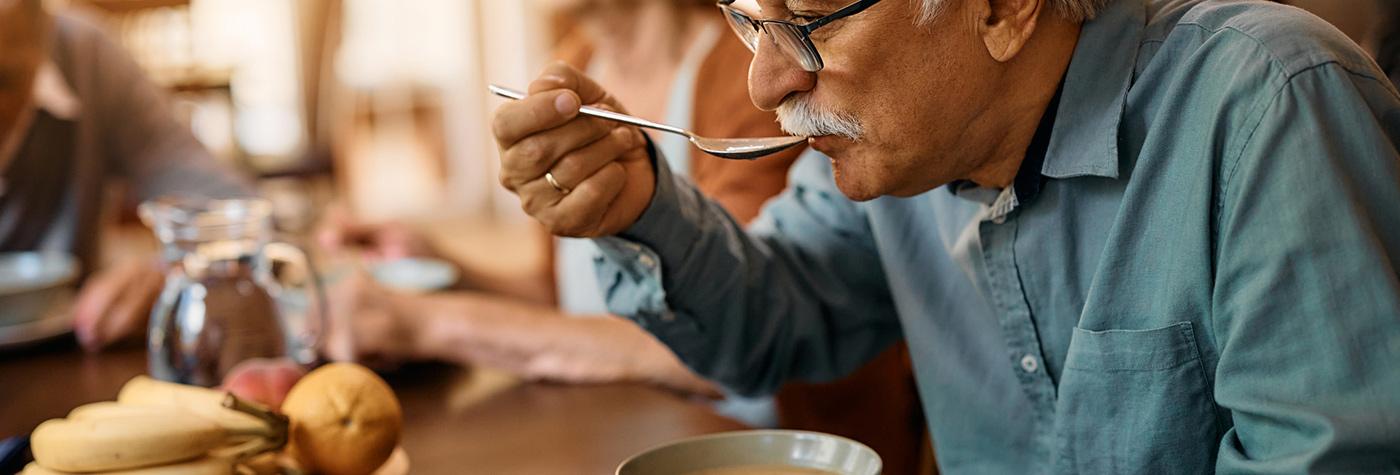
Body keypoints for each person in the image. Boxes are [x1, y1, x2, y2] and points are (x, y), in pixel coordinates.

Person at [490, 0, 1400, 472]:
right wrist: (637, 206)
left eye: (804, 22)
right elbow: (772, 319)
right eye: (746, 20)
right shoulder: (894, 157)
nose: (766, 82)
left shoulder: (1269, 103)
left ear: (1004, 8)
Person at [322, 4, 927, 470]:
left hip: (748, 447)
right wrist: (444, 266)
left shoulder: (757, 69)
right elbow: (581, 297)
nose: (771, 59)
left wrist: (434, 322)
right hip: (620, 434)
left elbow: (694, 347)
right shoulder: (575, 62)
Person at [0, 0, 251, 349]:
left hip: (72, 358)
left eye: (4, 81)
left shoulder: (86, 56)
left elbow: (233, 209)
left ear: (41, 35)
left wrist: (175, 268)